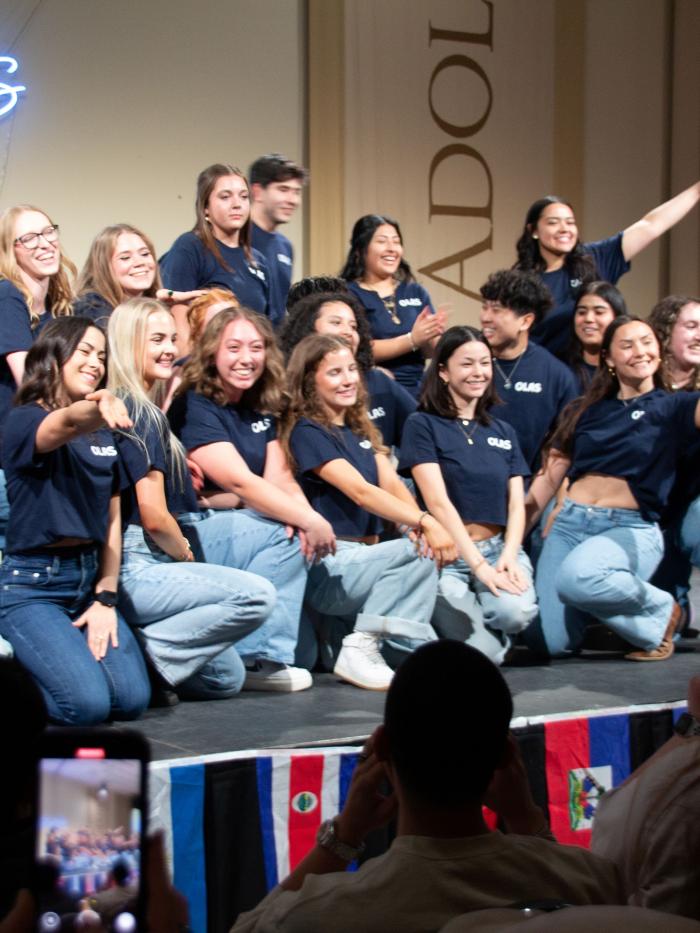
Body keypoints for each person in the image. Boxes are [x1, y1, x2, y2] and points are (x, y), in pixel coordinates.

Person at [231, 641, 624, 932]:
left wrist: (343, 836)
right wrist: (527, 820)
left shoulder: (322, 914)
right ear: (507, 757)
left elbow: (250, 928)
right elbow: (573, 888)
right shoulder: (594, 881)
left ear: (382, 747)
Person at [107, 299, 277, 699]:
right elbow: (153, 516)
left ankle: (143, 646)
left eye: (171, 338)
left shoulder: (138, 406)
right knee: (256, 596)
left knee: (225, 679)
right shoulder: (137, 411)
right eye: (156, 340)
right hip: (138, 563)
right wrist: (186, 557)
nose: (169, 348)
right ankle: (140, 663)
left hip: (147, 558)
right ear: (130, 343)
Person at [171, 306, 335, 691]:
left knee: (290, 527)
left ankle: (263, 649)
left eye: (256, 347)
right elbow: (242, 482)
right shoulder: (196, 401)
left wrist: (302, 515)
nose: (246, 358)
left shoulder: (265, 401)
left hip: (240, 520)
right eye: (234, 347)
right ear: (212, 351)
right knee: (286, 532)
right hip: (190, 532)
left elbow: (278, 478)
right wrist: (306, 521)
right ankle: (258, 658)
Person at [281, 334, 456, 690]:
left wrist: (418, 527)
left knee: (418, 548)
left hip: (366, 562)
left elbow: (391, 485)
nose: (348, 379)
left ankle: (363, 643)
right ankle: (364, 644)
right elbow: (361, 492)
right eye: (334, 372)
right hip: (331, 564)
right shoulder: (306, 430)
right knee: (415, 552)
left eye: (351, 370)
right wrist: (425, 523)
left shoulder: (359, 430)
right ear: (309, 380)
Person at [0, 317, 150, 724]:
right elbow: (64, 423)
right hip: (33, 586)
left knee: (130, 700)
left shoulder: (104, 433)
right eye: (84, 351)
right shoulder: (24, 420)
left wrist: (105, 597)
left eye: (101, 356)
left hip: (87, 583)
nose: (95, 363)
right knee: (85, 707)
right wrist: (100, 403)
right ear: (52, 358)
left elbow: (112, 522)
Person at [525, 316, 700, 661]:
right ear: (608, 358)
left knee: (578, 579)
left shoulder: (673, 406)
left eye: (647, 342)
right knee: (549, 643)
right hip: (569, 525)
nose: (640, 351)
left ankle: (665, 611)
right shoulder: (584, 410)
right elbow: (547, 480)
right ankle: (652, 623)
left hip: (629, 529)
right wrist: (509, 538)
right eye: (627, 344)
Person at [399, 327, 538, 664]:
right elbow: (437, 503)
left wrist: (508, 553)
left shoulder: (503, 431)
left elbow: (517, 505)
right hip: (449, 559)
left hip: (498, 551)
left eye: (484, 363)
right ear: (443, 371)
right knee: (484, 656)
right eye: (467, 364)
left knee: (515, 615)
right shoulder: (422, 424)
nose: (478, 372)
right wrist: (476, 565)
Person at [514, 180, 700, 356]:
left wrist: (696, 190)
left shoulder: (595, 258)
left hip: (599, 372)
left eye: (570, 222)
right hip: (552, 380)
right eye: (553, 222)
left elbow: (650, 225)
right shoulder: (522, 282)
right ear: (534, 231)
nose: (564, 229)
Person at [0, 205, 77, 550]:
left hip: (38, 465)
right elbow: (31, 381)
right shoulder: (7, 295)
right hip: (10, 472)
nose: (44, 243)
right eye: (28, 238)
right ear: (9, 250)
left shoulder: (57, 313)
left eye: (48, 232)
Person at [280, 290, 417, 450]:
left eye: (353, 326)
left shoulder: (378, 380)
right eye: (336, 323)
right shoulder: (288, 390)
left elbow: (420, 427)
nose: (348, 332)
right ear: (308, 329)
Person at [160, 163, 270, 352]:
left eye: (244, 197)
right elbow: (179, 323)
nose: (237, 204)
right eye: (225, 197)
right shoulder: (191, 247)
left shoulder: (259, 261)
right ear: (205, 209)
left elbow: (269, 327)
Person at [480, 269, 578, 472]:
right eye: (484, 307)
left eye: (497, 310)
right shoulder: (462, 358)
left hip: (527, 490)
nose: (485, 317)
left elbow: (564, 446)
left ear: (525, 321)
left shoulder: (556, 375)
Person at [340, 214, 446, 397]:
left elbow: (429, 351)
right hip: (373, 389)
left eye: (396, 242)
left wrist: (433, 336)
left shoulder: (415, 292)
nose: (391, 249)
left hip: (418, 391)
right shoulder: (349, 294)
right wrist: (412, 339)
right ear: (360, 249)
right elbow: (360, 348)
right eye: (382, 241)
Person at [648, 294, 700, 626]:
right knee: (662, 626)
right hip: (646, 509)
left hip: (691, 505)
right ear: (666, 332)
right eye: (691, 326)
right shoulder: (643, 381)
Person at [74, 223, 204, 325]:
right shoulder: (90, 307)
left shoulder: (158, 303)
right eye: (125, 258)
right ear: (104, 267)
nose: (140, 262)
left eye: (145, 254)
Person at [249, 153, 307, 327]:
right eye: (283, 190)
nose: (292, 200)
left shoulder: (285, 246)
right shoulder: (236, 237)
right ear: (257, 191)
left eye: (296, 192)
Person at [565, 281, 627, 391]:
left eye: (599, 312)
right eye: (582, 312)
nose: (588, 319)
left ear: (617, 318)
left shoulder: (628, 370)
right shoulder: (561, 371)